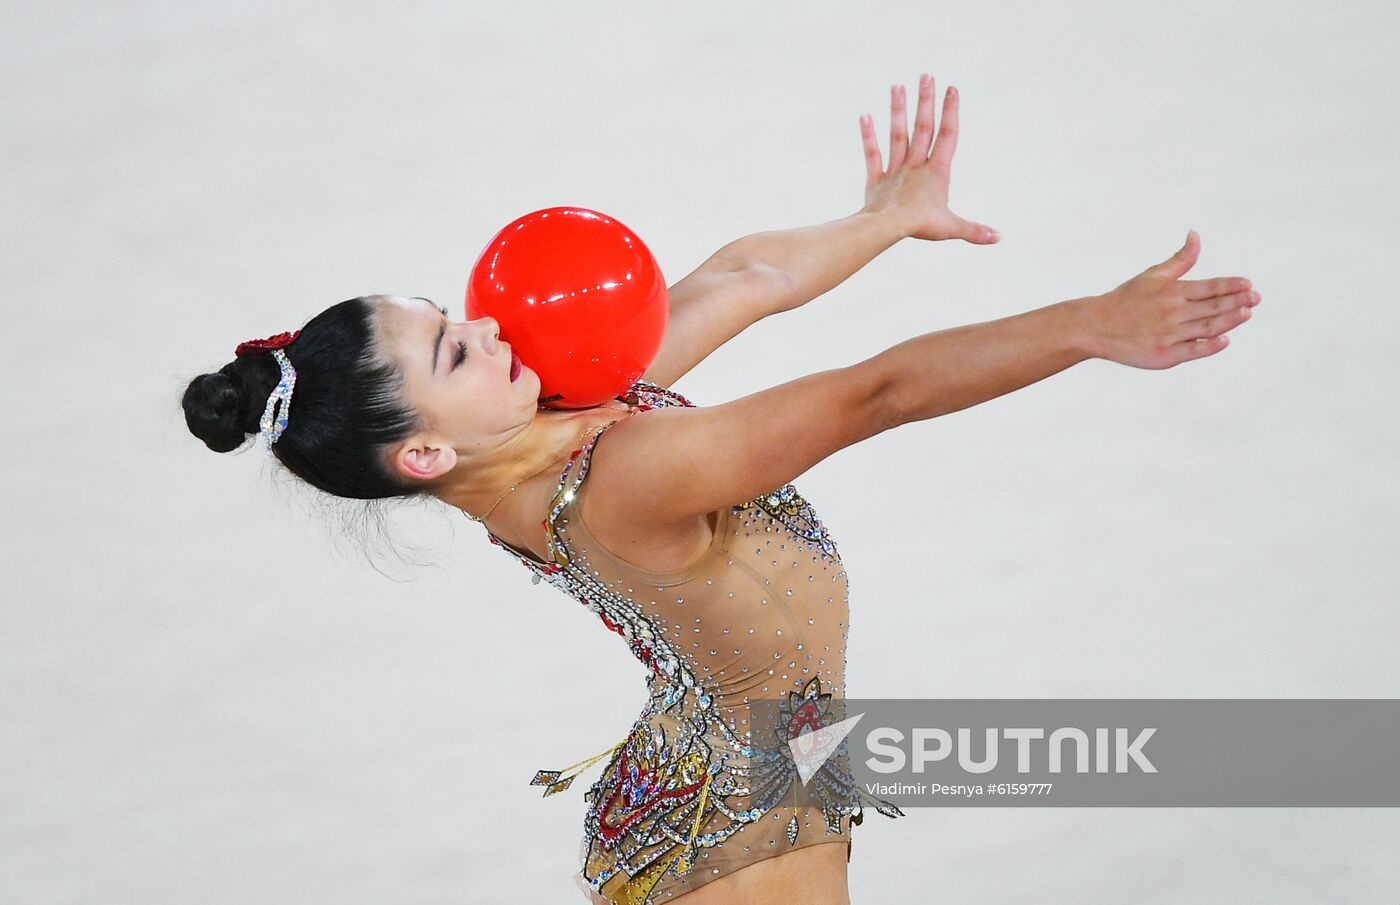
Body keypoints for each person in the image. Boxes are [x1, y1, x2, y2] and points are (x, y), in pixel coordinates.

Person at [179, 73, 1260, 904]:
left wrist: (882, 219)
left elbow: (738, 281)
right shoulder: (619, 480)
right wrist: (1086, 325)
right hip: (742, 813)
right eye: (454, 354)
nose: (487, 327)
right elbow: (870, 393)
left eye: (448, 315)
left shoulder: (555, 410)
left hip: (750, 765)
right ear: (421, 455)